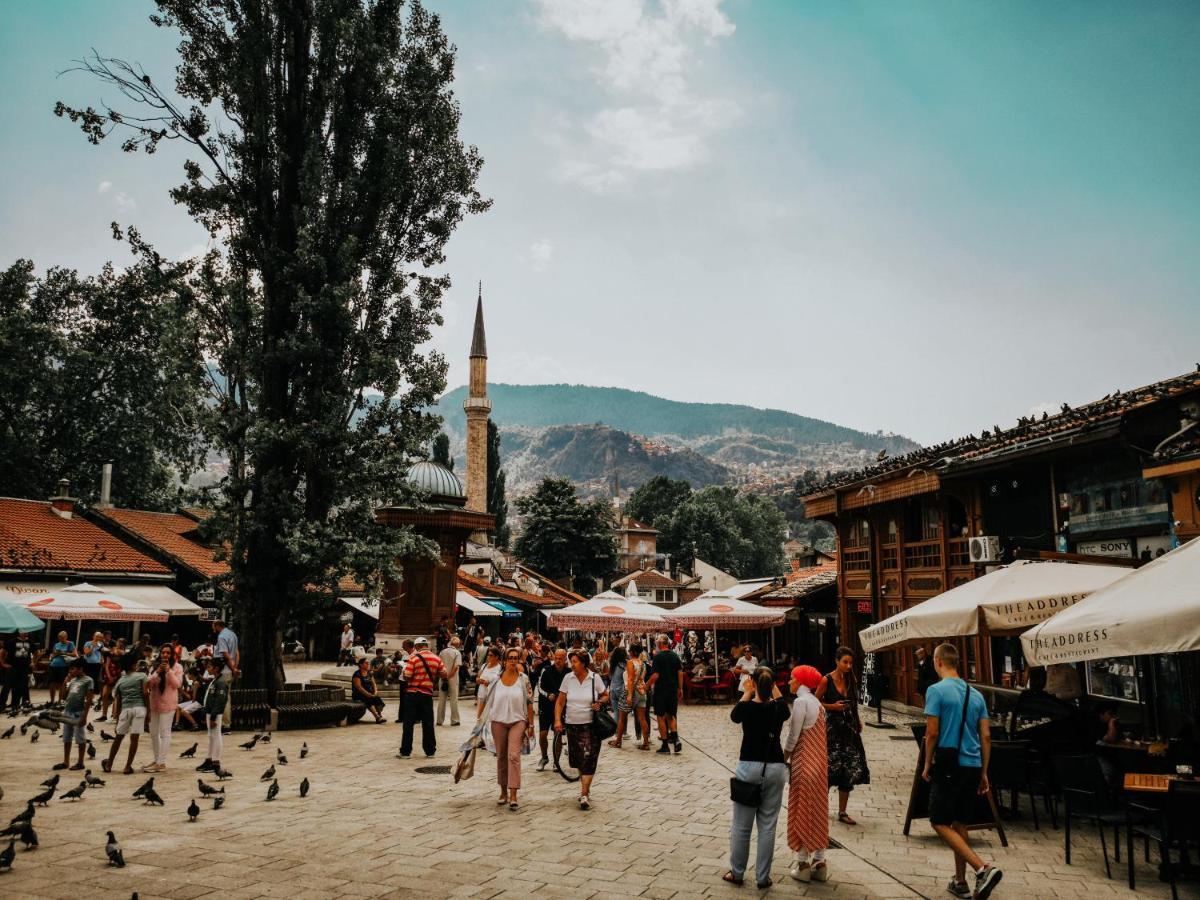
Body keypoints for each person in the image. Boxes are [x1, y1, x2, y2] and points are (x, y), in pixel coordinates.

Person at [922, 643, 1002, 899]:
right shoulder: (976, 694)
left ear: (938, 662)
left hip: (949, 762)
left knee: (939, 821)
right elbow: (986, 737)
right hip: (973, 764)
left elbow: (932, 732)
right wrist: (984, 772)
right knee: (960, 822)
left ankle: (982, 869)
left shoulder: (936, 691)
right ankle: (960, 881)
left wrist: (927, 763)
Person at [726, 667, 790, 889]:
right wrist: (771, 686)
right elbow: (783, 706)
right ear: (772, 685)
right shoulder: (778, 709)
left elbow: (735, 716)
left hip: (748, 766)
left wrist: (747, 691)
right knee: (768, 826)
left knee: (742, 826)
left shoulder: (747, 708)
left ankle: (737, 872)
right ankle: (763, 877)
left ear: (753, 682)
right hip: (775, 767)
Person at [784, 665, 830, 884]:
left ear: (800, 681)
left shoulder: (800, 702)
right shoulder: (818, 704)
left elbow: (794, 735)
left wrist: (784, 756)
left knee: (801, 810)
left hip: (804, 763)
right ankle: (819, 862)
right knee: (818, 811)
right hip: (820, 766)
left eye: (792, 678)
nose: (789, 682)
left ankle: (802, 863)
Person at [816, 646, 870, 825]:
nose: (848, 666)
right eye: (845, 662)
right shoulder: (827, 680)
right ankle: (820, 809)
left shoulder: (851, 679)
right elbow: (816, 701)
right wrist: (833, 707)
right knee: (830, 769)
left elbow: (853, 702)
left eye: (850, 663)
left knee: (849, 768)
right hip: (832, 730)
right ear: (837, 661)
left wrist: (858, 720)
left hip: (849, 730)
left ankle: (842, 811)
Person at [477, 646, 534, 810]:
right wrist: (480, 721)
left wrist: (530, 724)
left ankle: (514, 793)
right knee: (501, 756)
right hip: (498, 721)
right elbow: (486, 701)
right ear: (505, 660)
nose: (513, 661)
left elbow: (529, 703)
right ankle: (503, 791)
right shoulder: (495, 680)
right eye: (510, 658)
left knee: (514, 756)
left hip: (518, 721)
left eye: (516, 658)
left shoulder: (524, 680)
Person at [554, 650, 609, 810]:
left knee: (589, 757)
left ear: (584, 663)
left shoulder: (594, 678)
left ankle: (584, 793)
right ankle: (585, 787)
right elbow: (560, 702)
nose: (572, 665)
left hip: (590, 724)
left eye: (575, 661)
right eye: (571, 662)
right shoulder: (567, 678)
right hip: (572, 723)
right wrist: (558, 719)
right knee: (578, 758)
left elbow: (606, 695)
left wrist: (599, 702)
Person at [103, 652, 150, 775]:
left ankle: (109, 764)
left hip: (125, 710)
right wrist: (148, 712)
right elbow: (145, 694)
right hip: (139, 708)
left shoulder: (120, 680)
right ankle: (127, 767)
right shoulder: (142, 676)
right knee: (134, 739)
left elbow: (118, 701)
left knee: (118, 738)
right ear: (135, 665)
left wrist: (117, 718)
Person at [399, 636, 445, 758]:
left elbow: (407, 676)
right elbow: (444, 673)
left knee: (408, 723)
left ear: (417, 646)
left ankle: (406, 752)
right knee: (428, 722)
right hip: (427, 694)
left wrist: (404, 673)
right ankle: (430, 751)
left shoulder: (413, 658)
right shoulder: (436, 658)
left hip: (412, 693)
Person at [145, 643, 184, 773]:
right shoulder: (154, 667)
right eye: (163, 652)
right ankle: (157, 759)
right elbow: (149, 684)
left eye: (168, 653)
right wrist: (157, 672)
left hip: (168, 704)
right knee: (153, 733)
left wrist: (168, 671)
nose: (165, 655)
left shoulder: (177, 667)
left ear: (172, 654)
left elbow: (177, 684)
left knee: (165, 733)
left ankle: (162, 762)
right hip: (155, 703)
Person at [52, 657, 94, 772]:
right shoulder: (72, 680)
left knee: (80, 738)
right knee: (66, 738)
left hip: (78, 712)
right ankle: (66, 761)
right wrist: (65, 682)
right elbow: (63, 696)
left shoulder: (88, 680)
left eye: (73, 669)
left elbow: (89, 699)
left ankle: (81, 762)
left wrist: (84, 715)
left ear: (81, 669)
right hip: (68, 711)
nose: (70, 671)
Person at [646, 634, 683, 754]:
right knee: (671, 715)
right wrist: (680, 688)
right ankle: (676, 739)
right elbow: (680, 673)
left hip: (661, 690)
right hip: (672, 689)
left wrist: (646, 685)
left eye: (657, 642)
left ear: (660, 644)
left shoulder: (658, 657)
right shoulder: (675, 656)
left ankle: (665, 745)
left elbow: (655, 675)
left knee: (660, 717)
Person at [536, 647, 568, 770]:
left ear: (565, 659)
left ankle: (556, 761)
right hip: (545, 706)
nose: (558, 660)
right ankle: (544, 757)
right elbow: (539, 687)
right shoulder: (546, 670)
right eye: (556, 658)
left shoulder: (568, 673)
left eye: (560, 658)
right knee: (543, 734)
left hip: (560, 708)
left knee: (558, 735)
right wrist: (548, 695)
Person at [197, 658, 229, 774]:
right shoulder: (215, 680)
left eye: (210, 666)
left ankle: (216, 761)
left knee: (216, 736)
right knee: (211, 736)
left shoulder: (221, 682)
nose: (207, 668)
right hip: (210, 712)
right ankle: (209, 759)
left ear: (216, 668)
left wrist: (213, 717)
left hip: (215, 714)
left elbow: (220, 701)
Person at [212, 619, 239, 730]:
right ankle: (224, 723)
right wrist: (235, 668)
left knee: (223, 698)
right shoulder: (232, 634)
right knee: (227, 697)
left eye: (213, 626)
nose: (212, 629)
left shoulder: (222, 637)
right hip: (230, 671)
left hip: (224, 671)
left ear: (218, 626)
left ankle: (225, 725)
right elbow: (237, 653)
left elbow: (224, 654)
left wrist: (233, 668)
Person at [352, 657, 387, 723]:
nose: (368, 664)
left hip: (369, 693)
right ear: (361, 665)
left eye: (368, 663)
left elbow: (374, 684)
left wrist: (375, 692)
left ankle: (379, 715)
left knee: (377, 699)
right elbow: (359, 688)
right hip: (359, 694)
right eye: (366, 663)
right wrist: (368, 694)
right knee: (368, 699)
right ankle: (377, 717)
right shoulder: (357, 674)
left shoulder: (369, 673)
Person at [438, 636, 463, 727]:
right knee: (454, 700)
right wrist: (449, 677)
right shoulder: (457, 653)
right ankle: (455, 720)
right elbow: (456, 667)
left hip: (442, 678)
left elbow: (439, 666)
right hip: (453, 679)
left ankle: (439, 720)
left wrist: (444, 677)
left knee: (441, 700)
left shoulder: (442, 652)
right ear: (457, 644)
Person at [606, 644, 628, 745]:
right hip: (621, 690)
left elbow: (610, 677)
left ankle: (619, 732)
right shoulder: (625, 665)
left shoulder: (613, 664)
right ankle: (617, 731)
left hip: (613, 689)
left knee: (616, 712)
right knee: (621, 714)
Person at [48, 630, 76, 705]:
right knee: (51, 683)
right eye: (59, 637)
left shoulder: (70, 644)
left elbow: (74, 654)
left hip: (63, 666)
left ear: (66, 637)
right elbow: (53, 654)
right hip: (53, 665)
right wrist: (55, 654)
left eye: (62, 637)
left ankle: (60, 701)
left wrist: (64, 653)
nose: (61, 639)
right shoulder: (56, 644)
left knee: (62, 684)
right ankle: (52, 701)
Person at [98, 644, 122, 722]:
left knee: (117, 696)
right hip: (109, 676)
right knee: (105, 695)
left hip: (118, 675)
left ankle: (114, 714)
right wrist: (109, 676)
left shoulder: (123, 655)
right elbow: (106, 666)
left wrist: (116, 676)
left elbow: (122, 666)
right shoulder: (109, 655)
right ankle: (104, 715)